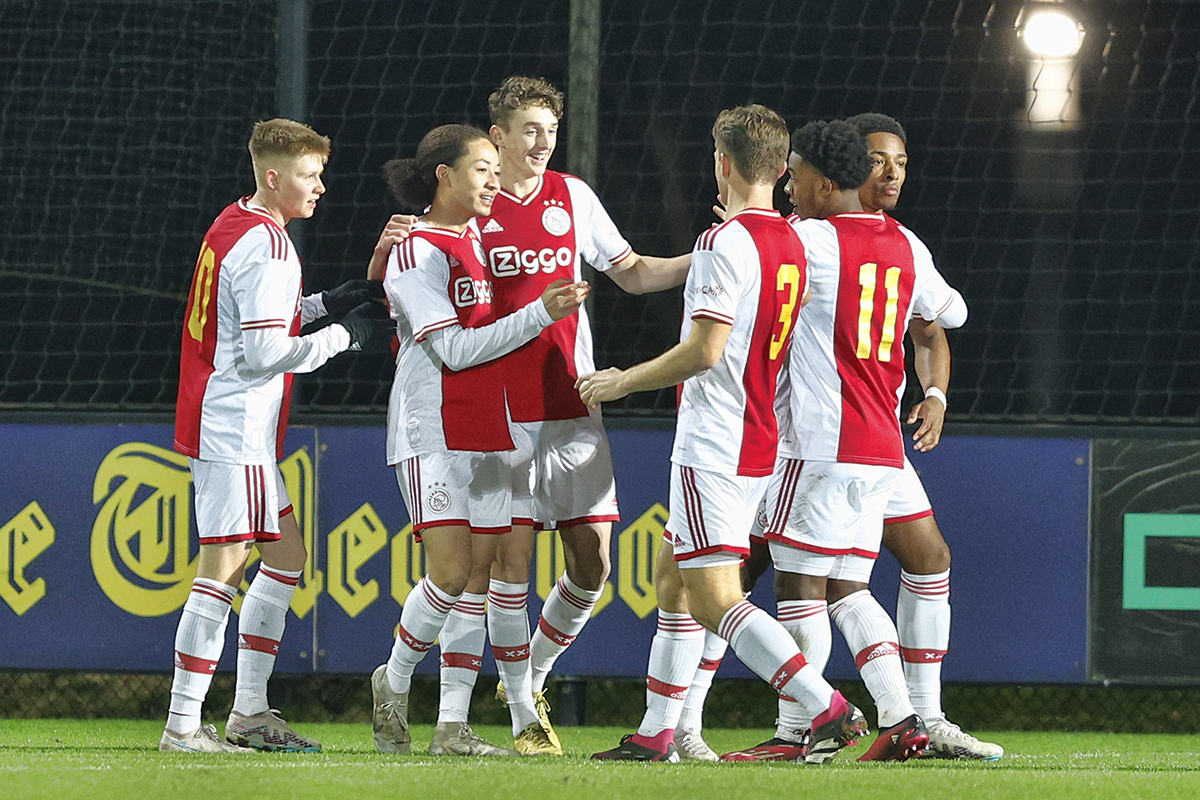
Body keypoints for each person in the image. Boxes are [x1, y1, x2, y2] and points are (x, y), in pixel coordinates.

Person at [367, 75, 692, 756]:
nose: (542, 144)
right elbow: (418, 301)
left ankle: (523, 679)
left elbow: (631, 270)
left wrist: (712, 255)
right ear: (497, 137)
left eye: (551, 130)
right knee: (491, 569)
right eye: (528, 132)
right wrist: (391, 247)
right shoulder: (461, 216)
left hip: (570, 402)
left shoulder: (570, 197)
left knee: (593, 562)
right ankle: (516, 716)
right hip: (489, 412)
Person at [580, 104, 868, 763]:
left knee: (714, 598)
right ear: (779, 168)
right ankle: (661, 732)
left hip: (716, 437)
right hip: (759, 435)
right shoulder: (789, 240)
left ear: (722, 163)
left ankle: (825, 706)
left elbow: (705, 350)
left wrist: (623, 380)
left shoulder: (726, 244)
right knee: (675, 578)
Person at [728, 114, 1002, 763]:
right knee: (849, 590)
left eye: (795, 176)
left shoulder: (806, 243)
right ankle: (906, 720)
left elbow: (750, 271)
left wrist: (741, 220)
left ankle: (799, 736)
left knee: (800, 590)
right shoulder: (905, 244)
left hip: (814, 445)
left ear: (823, 182)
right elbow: (951, 314)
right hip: (878, 447)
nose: (790, 186)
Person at [165, 118, 393, 753]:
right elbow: (265, 351)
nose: (320, 187)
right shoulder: (267, 246)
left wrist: (326, 303)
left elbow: (249, 319)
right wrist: (342, 338)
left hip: (241, 430)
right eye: (309, 176)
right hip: (233, 427)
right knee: (221, 572)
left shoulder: (233, 222)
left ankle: (249, 712)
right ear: (273, 176)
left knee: (286, 559)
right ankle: (183, 726)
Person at [367, 123, 590, 757]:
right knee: (449, 571)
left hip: (489, 423)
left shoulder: (470, 240)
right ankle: (395, 677)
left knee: (484, 572)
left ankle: (452, 727)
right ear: (444, 175)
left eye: (497, 170)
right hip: (431, 424)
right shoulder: (417, 250)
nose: (496, 180)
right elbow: (456, 352)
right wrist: (539, 313)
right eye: (483, 169)